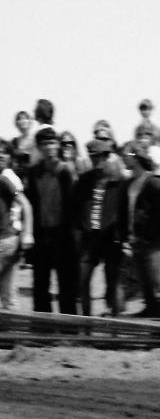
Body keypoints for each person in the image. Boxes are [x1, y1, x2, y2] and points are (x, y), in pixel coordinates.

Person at [24, 126, 81, 314]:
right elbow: (31, 203)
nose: (50, 147)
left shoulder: (65, 170)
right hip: (41, 235)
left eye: (53, 143)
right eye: (45, 144)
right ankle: (42, 327)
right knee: (40, 285)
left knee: (66, 285)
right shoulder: (33, 172)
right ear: (39, 147)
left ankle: (69, 327)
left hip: (63, 236)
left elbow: (73, 207)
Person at [75, 139, 132, 316]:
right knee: (82, 281)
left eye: (101, 156)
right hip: (89, 238)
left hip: (111, 238)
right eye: (94, 157)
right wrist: (79, 231)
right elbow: (76, 209)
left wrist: (124, 239)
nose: (97, 160)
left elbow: (125, 213)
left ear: (108, 157)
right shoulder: (84, 180)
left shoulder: (120, 181)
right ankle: (86, 322)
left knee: (113, 282)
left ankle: (115, 324)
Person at [125, 148, 160, 317]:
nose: (124, 158)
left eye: (128, 155)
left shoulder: (154, 182)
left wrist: (150, 235)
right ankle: (152, 314)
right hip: (136, 239)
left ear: (137, 158)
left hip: (154, 241)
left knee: (159, 284)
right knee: (146, 284)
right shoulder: (129, 183)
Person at [0, 141, 33, 310]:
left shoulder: (6, 177)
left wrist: (28, 233)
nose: (0, 155)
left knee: (8, 292)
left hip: (6, 238)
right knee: (7, 292)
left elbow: (25, 205)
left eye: (4, 153)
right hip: (7, 238)